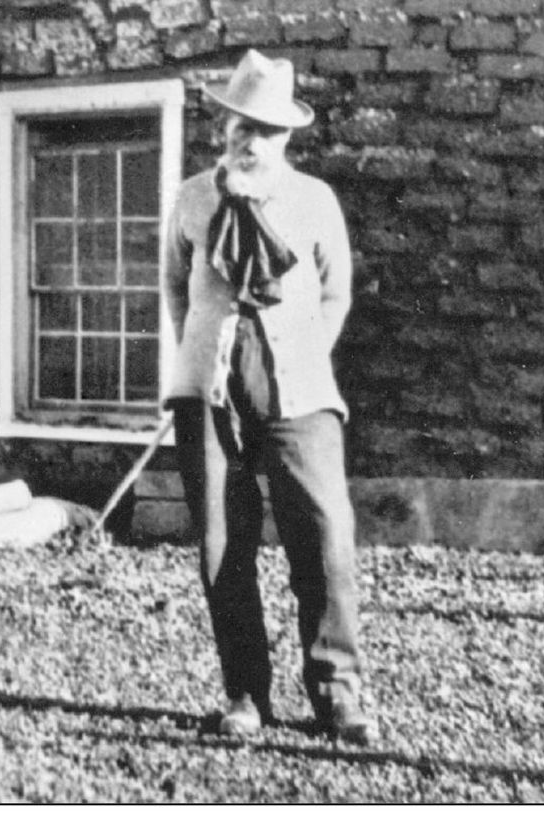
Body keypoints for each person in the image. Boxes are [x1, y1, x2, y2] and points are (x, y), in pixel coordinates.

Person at [161, 49, 378, 746]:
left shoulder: (314, 200)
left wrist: (304, 350)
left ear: (287, 136)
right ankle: (245, 693)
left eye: (266, 128)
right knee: (223, 546)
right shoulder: (193, 198)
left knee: (324, 539)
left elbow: (336, 290)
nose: (249, 140)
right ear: (222, 126)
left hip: (300, 391)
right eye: (239, 124)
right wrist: (198, 353)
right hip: (208, 390)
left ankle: (336, 693)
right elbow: (173, 284)